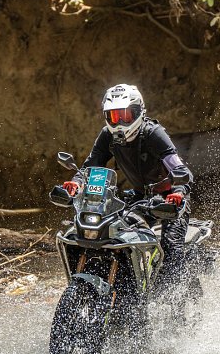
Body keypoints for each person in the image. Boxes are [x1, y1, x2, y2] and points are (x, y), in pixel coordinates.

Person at [63, 83, 193, 284]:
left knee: (171, 247)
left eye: (125, 115)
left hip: (169, 200)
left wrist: (178, 192)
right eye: (114, 117)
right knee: (114, 233)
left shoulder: (153, 133)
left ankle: (175, 298)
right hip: (140, 196)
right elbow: (91, 165)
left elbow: (178, 168)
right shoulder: (107, 135)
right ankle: (128, 282)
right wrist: (76, 183)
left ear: (139, 111)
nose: (120, 123)